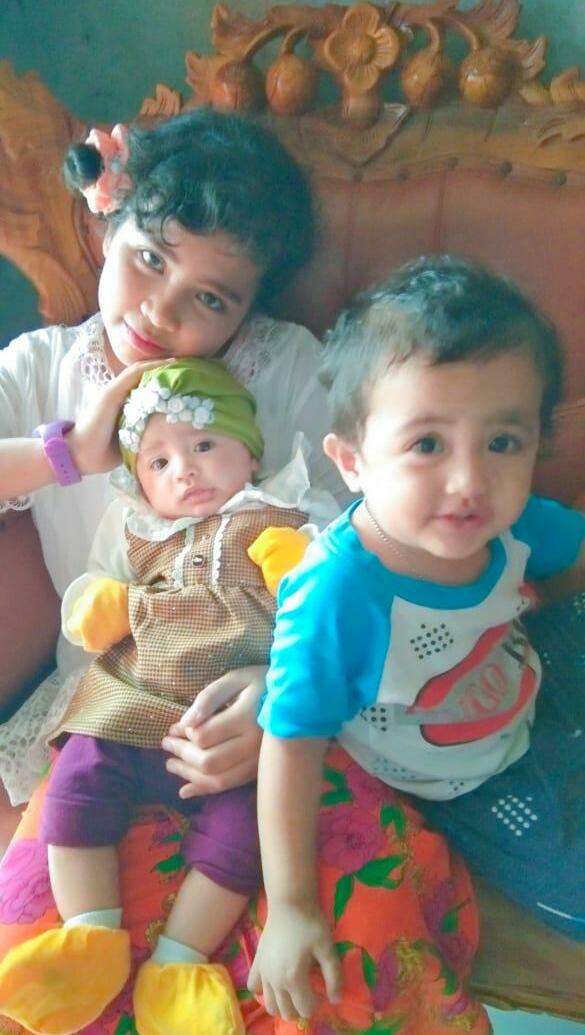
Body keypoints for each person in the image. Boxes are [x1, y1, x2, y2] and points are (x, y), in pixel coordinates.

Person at [0, 112, 490, 1035]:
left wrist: (275, 688)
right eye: (149, 259)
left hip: (286, 702)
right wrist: (67, 454)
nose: (162, 311)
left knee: (328, 974)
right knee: (56, 975)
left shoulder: (289, 371)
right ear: (105, 226)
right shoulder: (41, 368)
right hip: (111, 705)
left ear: (250, 307)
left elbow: (360, 555)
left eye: (211, 297)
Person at [249, 256, 585, 1019]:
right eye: (427, 444)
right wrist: (291, 905)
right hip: (457, 777)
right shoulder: (337, 593)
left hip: (526, 674)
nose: (469, 481)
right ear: (351, 461)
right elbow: (289, 745)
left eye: (503, 442)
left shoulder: (515, 522)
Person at [0, 357, 318, 1035]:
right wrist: (101, 603)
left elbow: (323, 609)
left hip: (226, 727)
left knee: (246, 833)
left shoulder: (281, 519)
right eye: (159, 462)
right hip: (132, 701)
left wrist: (299, 571)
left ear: (251, 452)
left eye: (204, 444)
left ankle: (179, 961)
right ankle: (90, 934)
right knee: (75, 782)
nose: (185, 471)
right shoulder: (136, 529)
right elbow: (95, 591)